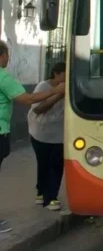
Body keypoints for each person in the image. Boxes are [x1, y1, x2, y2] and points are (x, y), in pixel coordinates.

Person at [0, 40, 64, 234]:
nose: (9, 58)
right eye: (7, 55)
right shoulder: (3, 77)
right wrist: (55, 91)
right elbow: (28, 100)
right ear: (2, 56)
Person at [27, 62, 66, 211]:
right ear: (56, 74)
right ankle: (41, 192)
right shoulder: (43, 87)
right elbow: (38, 109)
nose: (66, 78)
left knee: (56, 165)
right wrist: (58, 94)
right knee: (44, 164)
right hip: (40, 133)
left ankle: (51, 198)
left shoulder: (70, 87)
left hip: (59, 135)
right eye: (64, 75)